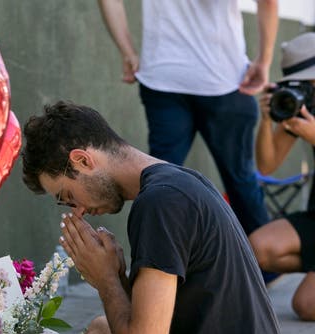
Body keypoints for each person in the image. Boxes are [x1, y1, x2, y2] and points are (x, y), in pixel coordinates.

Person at [18, 101, 293, 334]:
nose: (77, 211)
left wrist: (104, 282)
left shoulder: (160, 203)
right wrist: (116, 276)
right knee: (99, 333)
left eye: (68, 196)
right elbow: (157, 325)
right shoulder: (177, 182)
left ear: (83, 161)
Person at [97, 0, 278, 236]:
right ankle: (267, 271)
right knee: (242, 184)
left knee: (159, 186)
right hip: (223, 79)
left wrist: (127, 51)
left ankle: (155, 268)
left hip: (164, 77)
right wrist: (264, 60)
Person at [249, 32, 315, 320]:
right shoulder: (303, 108)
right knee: (257, 249)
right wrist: (265, 122)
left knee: (307, 305)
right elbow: (267, 165)